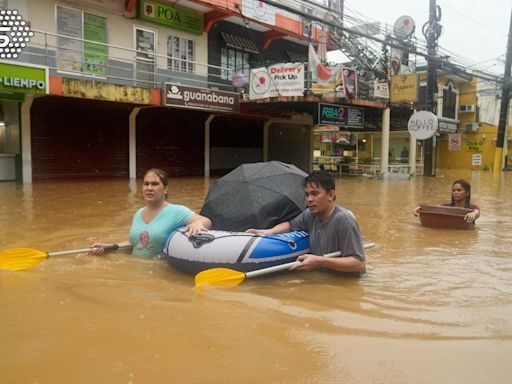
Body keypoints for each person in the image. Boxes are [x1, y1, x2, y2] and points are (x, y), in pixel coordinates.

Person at [247, 170, 366, 275]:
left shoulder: (344, 220)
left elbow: (358, 264)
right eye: (307, 194)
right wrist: (268, 232)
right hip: (323, 279)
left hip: (344, 285)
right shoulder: (310, 214)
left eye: (315, 194)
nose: (309, 199)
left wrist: (320, 261)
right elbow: (290, 225)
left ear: (330, 195)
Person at [92, 168, 212, 258]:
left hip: (158, 273)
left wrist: (198, 223)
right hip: (133, 271)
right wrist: (108, 247)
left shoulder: (176, 211)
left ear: (165, 189)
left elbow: (207, 221)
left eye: (155, 184)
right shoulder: (139, 213)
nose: (149, 188)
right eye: (146, 184)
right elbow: (135, 244)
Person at [414, 179, 480, 223]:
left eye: (459, 190)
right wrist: (420, 208)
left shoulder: (472, 208)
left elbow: (477, 212)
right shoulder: (446, 207)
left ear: (467, 193)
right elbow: (433, 209)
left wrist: (473, 213)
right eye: (453, 190)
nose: (455, 192)